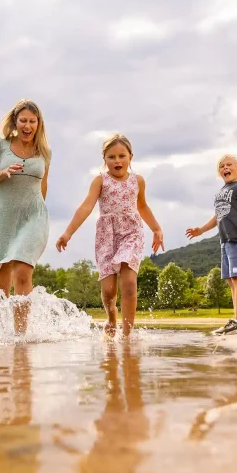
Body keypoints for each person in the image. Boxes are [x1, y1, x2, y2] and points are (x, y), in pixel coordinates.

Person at [56, 134, 164, 337]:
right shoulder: (100, 181)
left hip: (131, 232)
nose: (117, 161)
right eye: (112, 157)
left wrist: (156, 229)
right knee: (108, 290)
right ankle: (111, 316)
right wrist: (68, 233)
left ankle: (127, 334)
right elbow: (86, 207)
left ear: (131, 157)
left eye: (122, 156)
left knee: (129, 281)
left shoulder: (137, 181)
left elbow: (142, 206)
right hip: (106, 235)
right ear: (104, 159)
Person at [0, 99, 51, 334]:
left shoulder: (44, 152)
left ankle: (21, 336)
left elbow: (44, 186)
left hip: (34, 216)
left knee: (22, 269)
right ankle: (4, 336)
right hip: (5, 217)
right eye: (23, 120)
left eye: (32, 121)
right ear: (15, 121)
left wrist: (40, 212)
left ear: (38, 123)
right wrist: (3, 172)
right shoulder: (1, 145)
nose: (27, 125)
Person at [186, 154, 237, 335]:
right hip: (225, 240)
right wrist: (200, 230)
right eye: (221, 166)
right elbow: (218, 217)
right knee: (231, 281)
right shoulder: (220, 193)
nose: (225, 168)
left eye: (229, 165)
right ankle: (236, 321)